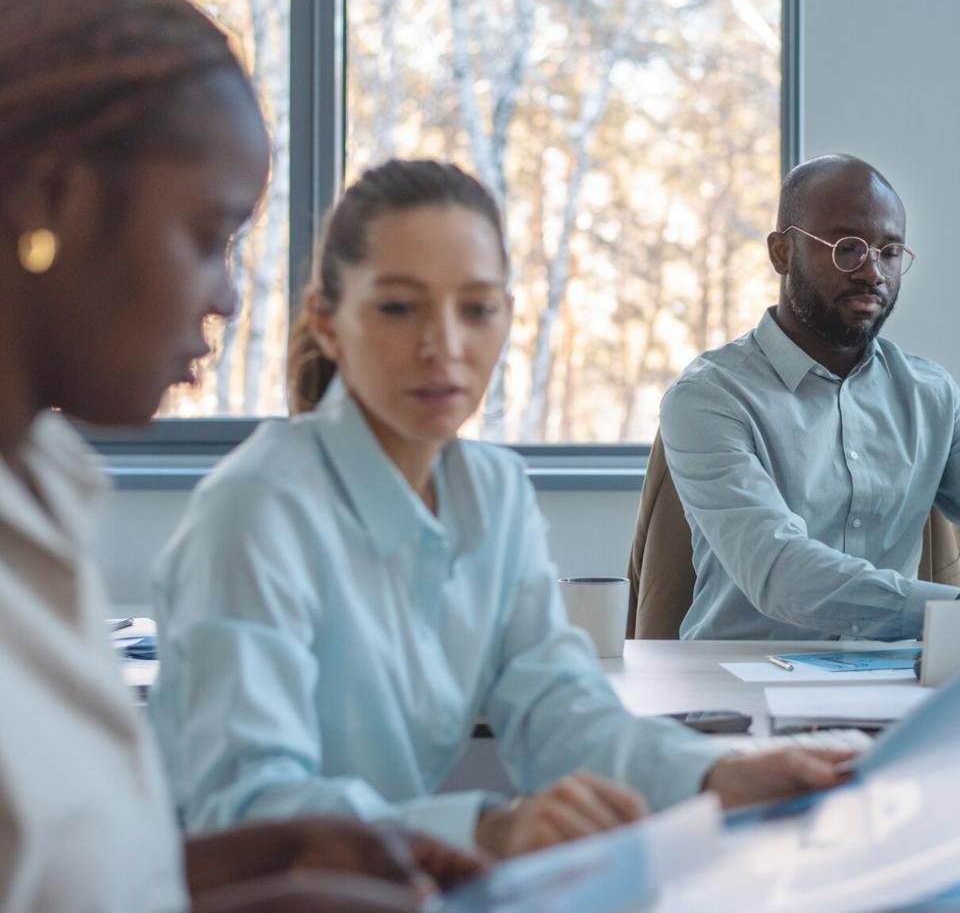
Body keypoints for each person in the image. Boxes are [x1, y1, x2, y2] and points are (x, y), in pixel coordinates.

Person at [148, 159, 852, 860]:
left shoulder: (493, 492)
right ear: (327, 325)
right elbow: (245, 806)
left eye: (477, 309)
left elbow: (560, 711)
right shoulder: (255, 509)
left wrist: (719, 775)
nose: (443, 347)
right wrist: (485, 830)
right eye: (398, 307)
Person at [0, 0, 485, 912]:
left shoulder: (44, 485)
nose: (225, 294)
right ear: (54, 202)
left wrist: (236, 869)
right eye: (208, 237)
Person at [660, 154, 960, 641]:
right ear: (782, 253)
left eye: (890, 251)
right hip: (743, 691)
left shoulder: (931, 395)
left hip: (890, 687)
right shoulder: (709, 396)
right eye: (847, 248)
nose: (873, 272)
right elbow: (779, 572)